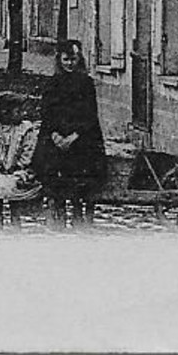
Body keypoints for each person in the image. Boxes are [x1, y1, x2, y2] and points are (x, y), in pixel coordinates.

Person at [32, 40, 106, 229]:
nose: (70, 64)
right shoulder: (52, 84)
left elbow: (90, 114)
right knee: (50, 162)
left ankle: (79, 210)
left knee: (83, 163)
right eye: (66, 60)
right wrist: (55, 135)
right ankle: (57, 207)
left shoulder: (86, 83)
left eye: (73, 59)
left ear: (79, 59)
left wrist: (74, 136)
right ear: (59, 60)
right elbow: (47, 112)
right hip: (56, 137)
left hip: (81, 136)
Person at [0, 93, 42, 228]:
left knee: (16, 185)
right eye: (18, 111)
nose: (22, 113)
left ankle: (15, 219)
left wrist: (19, 166)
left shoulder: (26, 128)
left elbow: (28, 150)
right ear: (4, 112)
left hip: (18, 170)